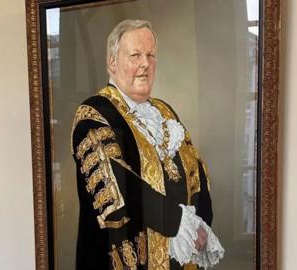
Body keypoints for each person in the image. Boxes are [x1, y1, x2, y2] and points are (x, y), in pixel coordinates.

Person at [70, 19, 224, 270]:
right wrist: (177, 222)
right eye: (135, 55)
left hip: (180, 258)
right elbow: (116, 183)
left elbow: (196, 170)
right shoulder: (95, 113)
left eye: (151, 55)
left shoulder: (165, 111)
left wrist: (201, 224)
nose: (145, 64)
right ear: (112, 62)